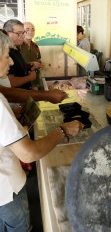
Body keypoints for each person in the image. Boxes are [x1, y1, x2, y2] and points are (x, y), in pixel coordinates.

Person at [0, 30, 84, 231]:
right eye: (5, 56)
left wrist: (42, 97)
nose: (10, 62)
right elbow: (29, 153)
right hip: (6, 190)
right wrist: (63, 130)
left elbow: (6, 92)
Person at [3, 19, 39, 90]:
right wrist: (30, 77)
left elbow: (16, 67)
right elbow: (10, 82)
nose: (23, 36)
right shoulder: (5, 52)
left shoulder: (16, 48)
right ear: (7, 33)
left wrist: (29, 65)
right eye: (19, 33)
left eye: (23, 33)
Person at [20, 22, 41, 88]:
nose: (30, 32)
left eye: (32, 30)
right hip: (22, 81)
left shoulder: (35, 45)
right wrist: (31, 64)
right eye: (27, 29)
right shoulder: (18, 45)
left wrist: (39, 64)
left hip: (35, 80)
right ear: (22, 31)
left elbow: (39, 59)